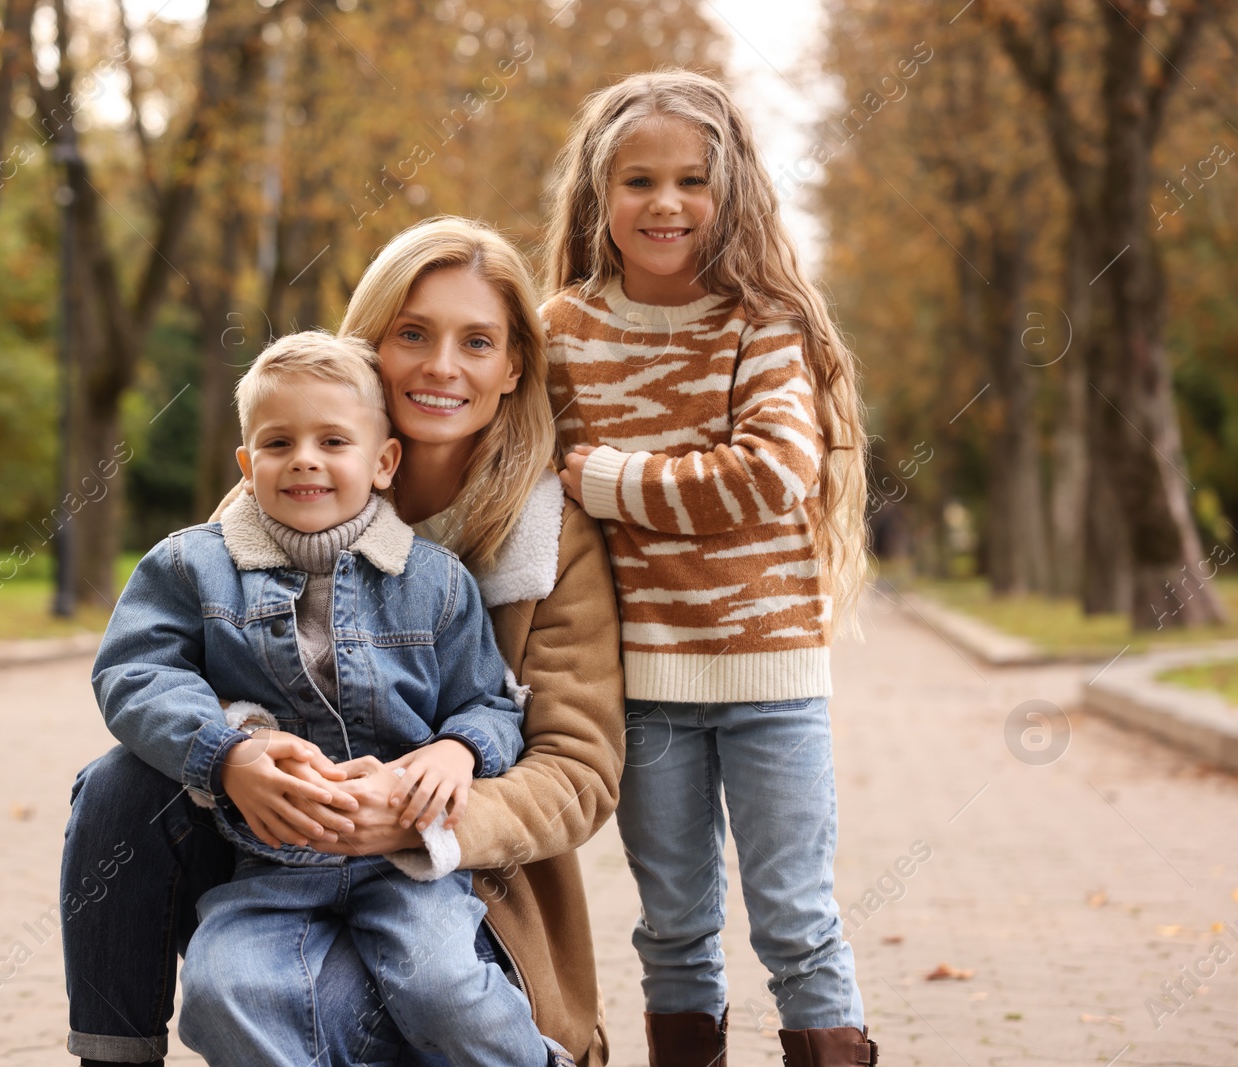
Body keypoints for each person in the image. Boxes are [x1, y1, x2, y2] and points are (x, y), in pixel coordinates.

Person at [61, 217, 625, 1066]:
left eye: (476, 341)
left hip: (447, 879)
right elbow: (147, 669)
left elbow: (575, 768)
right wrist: (239, 749)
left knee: (427, 990)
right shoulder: (261, 510)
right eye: (413, 334)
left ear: (513, 367)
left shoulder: (525, 549)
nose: (441, 366)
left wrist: (424, 802)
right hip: (275, 858)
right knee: (118, 789)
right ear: (370, 345)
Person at [541, 70, 877, 1067]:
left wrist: (606, 477)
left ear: (727, 192)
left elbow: (771, 471)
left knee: (795, 919)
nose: (666, 203)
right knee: (673, 927)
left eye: (691, 179)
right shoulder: (564, 331)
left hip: (771, 676)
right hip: (638, 683)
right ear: (601, 193)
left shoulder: (758, 321)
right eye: (639, 180)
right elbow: (527, 483)